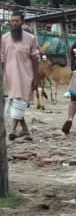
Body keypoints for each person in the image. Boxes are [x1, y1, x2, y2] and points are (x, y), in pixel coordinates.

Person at [2, 10, 40, 141]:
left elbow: (35, 59)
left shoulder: (31, 38)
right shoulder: (4, 38)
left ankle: (12, 130)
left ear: (22, 22)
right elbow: (2, 59)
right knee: (16, 102)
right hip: (10, 76)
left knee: (20, 101)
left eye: (17, 21)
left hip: (26, 76)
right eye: (12, 21)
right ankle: (25, 130)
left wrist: (36, 78)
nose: (14, 23)